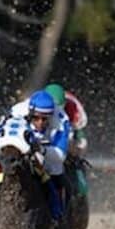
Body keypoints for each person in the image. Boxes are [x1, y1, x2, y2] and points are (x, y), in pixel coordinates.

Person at [5, 89, 71, 221]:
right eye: (36, 118)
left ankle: (58, 217)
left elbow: (60, 155)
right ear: (29, 114)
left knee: (61, 181)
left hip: (45, 156)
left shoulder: (62, 120)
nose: (40, 122)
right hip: (19, 150)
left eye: (45, 119)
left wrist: (41, 149)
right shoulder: (16, 112)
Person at [44, 83, 88, 157]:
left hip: (68, 128)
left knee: (78, 144)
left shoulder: (74, 110)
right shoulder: (34, 103)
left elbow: (79, 133)